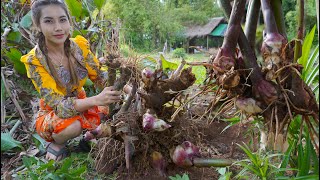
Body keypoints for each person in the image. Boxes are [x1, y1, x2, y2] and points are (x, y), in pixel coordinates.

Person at [20, 0, 122, 161]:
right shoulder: (35, 60)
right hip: (52, 112)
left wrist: (128, 87)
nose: (58, 27)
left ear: (69, 20)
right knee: (72, 127)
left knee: (108, 108)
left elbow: (100, 78)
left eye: (62, 19)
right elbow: (60, 106)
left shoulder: (79, 47)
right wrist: (96, 99)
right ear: (38, 25)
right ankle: (57, 142)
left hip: (82, 102)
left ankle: (88, 134)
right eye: (49, 21)